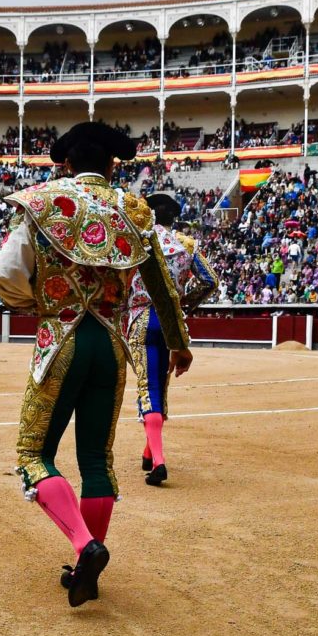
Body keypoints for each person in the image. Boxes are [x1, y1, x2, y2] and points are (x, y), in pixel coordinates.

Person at [0, 121, 192, 608]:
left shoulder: (43, 203)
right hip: (112, 345)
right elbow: (161, 287)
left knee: (32, 454)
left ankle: (85, 546)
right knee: (97, 461)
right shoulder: (133, 210)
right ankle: (86, 571)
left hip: (61, 341)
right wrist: (180, 343)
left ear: (65, 165)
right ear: (111, 166)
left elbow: (4, 272)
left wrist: (35, 304)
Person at [127, 193, 218, 486]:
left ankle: (159, 462)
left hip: (141, 319)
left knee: (147, 386)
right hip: (169, 324)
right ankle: (148, 451)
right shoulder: (186, 245)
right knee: (159, 384)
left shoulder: (136, 240)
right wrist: (183, 304)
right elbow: (210, 281)